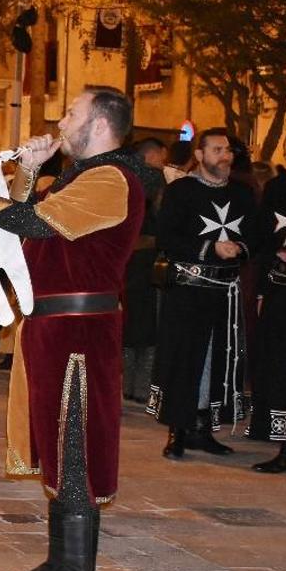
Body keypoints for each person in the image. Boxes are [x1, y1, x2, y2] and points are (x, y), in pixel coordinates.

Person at [0, 87, 146, 571]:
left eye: (71, 112)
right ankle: (60, 566)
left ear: (98, 125)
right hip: (55, 328)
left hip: (81, 334)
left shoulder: (113, 180)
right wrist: (28, 170)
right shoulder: (83, 177)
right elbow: (28, 225)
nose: (61, 119)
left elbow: (31, 223)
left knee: (76, 450)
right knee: (57, 446)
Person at [147, 128, 257, 459]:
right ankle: (177, 430)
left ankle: (203, 428)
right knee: (185, 360)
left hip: (225, 292)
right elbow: (166, 237)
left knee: (219, 360)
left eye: (228, 150)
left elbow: (257, 234)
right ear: (200, 155)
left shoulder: (243, 193)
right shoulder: (181, 191)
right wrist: (211, 249)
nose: (225, 156)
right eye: (217, 149)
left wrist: (240, 247)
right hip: (188, 291)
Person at [247, 131, 286, 472]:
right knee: (279, 367)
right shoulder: (277, 190)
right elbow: (264, 240)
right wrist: (262, 290)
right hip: (281, 291)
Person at [120, 138, 167, 402]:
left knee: (130, 321)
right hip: (149, 258)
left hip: (125, 257)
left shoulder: (124, 178)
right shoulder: (157, 181)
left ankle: (128, 384)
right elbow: (162, 219)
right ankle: (142, 387)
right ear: (154, 153)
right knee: (148, 325)